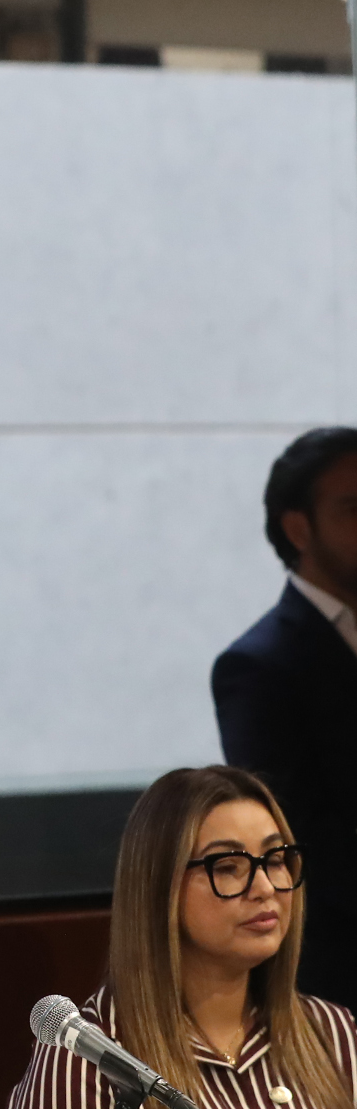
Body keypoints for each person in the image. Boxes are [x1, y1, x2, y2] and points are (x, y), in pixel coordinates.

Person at [8, 767, 357, 1109]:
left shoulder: (336, 1034)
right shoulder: (86, 1058)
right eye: (227, 867)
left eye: (275, 860)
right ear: (160, 885)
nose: (265, 888)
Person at [214, 427, 357, 1009]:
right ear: (299, 529)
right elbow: (295, 837)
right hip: (338, 978)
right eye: (353, 509)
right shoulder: (259, 666)